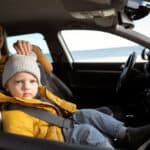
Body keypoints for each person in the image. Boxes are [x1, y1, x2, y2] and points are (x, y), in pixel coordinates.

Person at [0, 53, 150, 150]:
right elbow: (22, 144)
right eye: (19, 82)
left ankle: (127, 134)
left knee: (88, 114)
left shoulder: (40, 95)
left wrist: (76, 113)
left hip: (61, 122)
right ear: (7, 85)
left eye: (32, 81)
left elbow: (61, 104)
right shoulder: (13, 114)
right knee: (86, 132)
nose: (27, 86)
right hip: (53, 140)